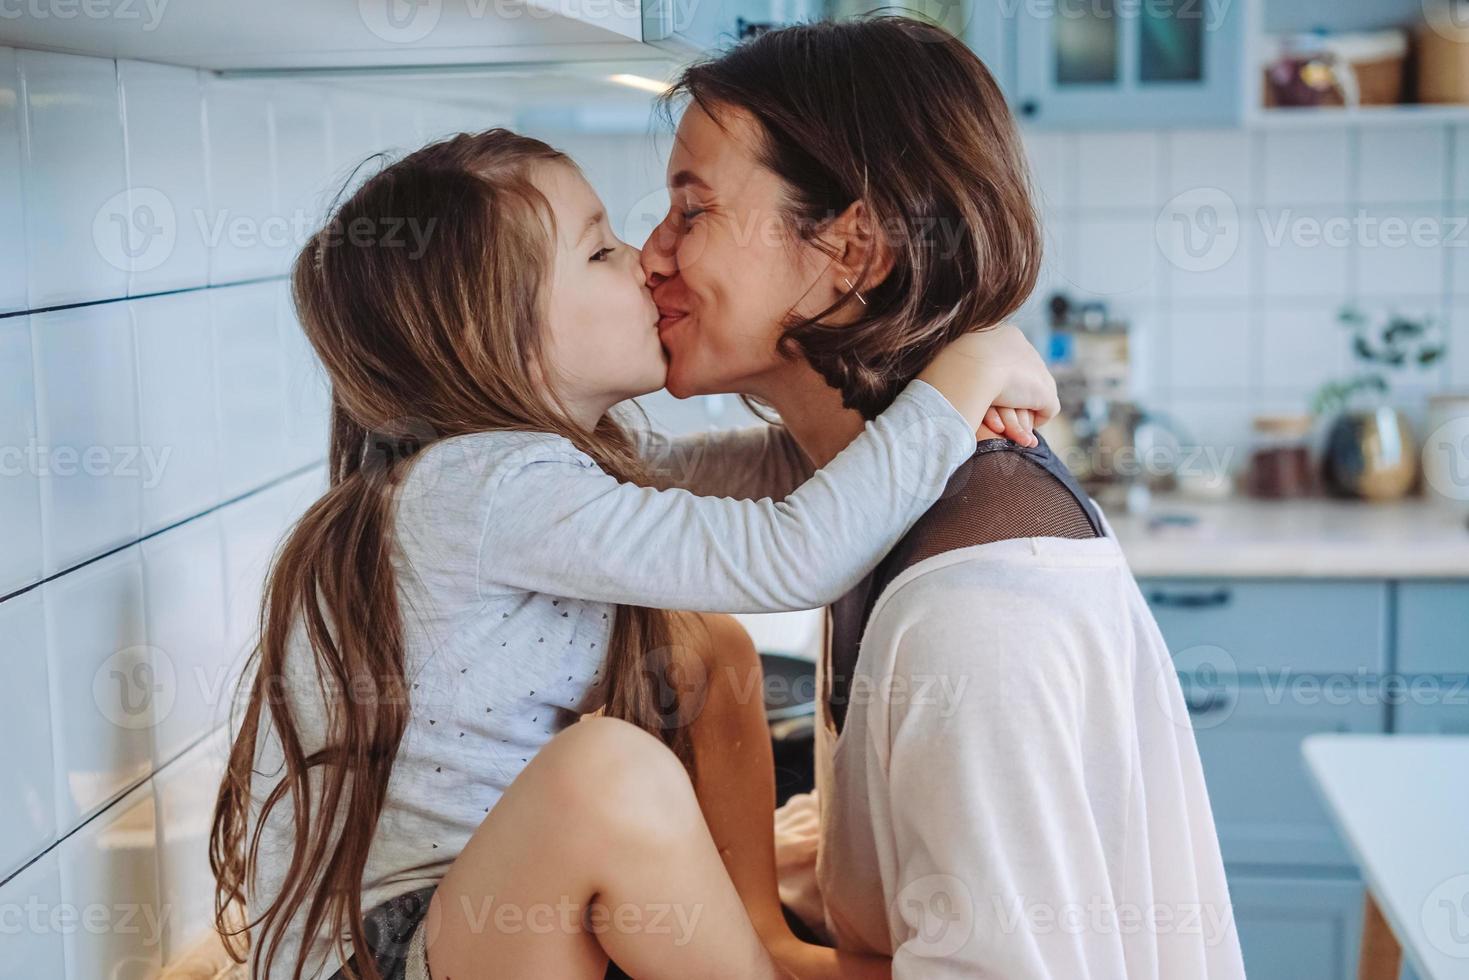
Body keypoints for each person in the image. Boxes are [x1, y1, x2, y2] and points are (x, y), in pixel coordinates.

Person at [207, 127, 1058, 980]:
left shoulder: (489, 480)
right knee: (604, 773)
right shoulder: (487, 488)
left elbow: (776, 474)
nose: (646, 264)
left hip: (468, 926)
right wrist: (964, 376)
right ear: (499, 330)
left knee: (706, 649)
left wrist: (881, 402)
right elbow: (794, 552)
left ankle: (758, 940)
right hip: (388, 954)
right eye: (600, 250)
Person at [639, 17, 1248, 979]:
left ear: (854, 251)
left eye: (692, 211)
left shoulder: (977, 614)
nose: (651, 255)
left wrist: (754, 939)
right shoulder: (866, 485)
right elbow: (617, 483)